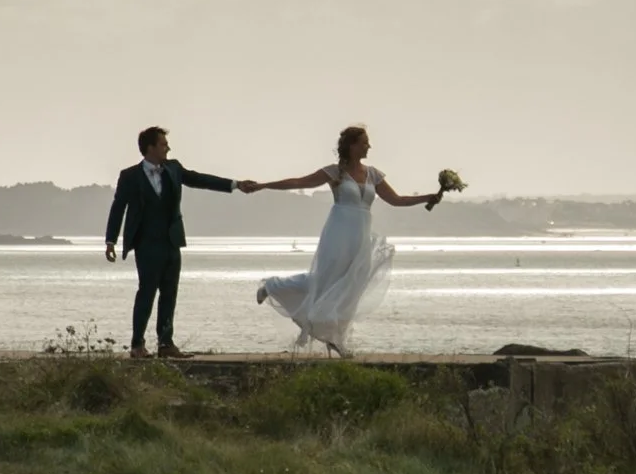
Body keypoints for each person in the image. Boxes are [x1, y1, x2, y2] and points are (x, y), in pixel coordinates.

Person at [248, 125, 443, 355]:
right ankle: (272, 286)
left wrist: (427, 197)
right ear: (352, 146)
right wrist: (262, 185)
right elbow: (298, 182)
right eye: (364, 142)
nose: (368, 146)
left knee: (353, 284)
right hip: (338, 230)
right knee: (324, 279)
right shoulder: (335, 172)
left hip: (360, 233)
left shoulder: (374, 174)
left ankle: (336, 336)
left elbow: (396, 200)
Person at [104, 126, 260, 359]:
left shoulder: (174, 168)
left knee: (170, 293)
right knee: (146, 293)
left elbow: (199, 179)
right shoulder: (129, 176)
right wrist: (110, 241)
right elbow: (118, 208)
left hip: (171, 242)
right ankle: (137, 345)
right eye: (164, 144)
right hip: (146, 244)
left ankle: (166, 344)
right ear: (150, 148)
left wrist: (235, 184)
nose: (168, 148)